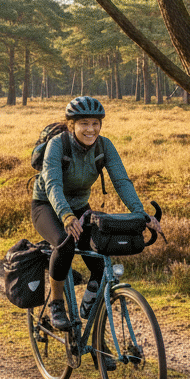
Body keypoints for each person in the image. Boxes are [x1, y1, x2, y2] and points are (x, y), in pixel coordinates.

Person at [30, 96, 160, 331]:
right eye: (84, 123)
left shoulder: (104, 145)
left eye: (95, 123)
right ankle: (57, 305)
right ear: (72, 125)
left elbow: (121, 180)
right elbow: (52, 185)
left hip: (80, 206)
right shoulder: (58, 145)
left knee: (101, 257)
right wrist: (66, 216)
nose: (90, 129)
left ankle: (89, 316)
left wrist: (140, 213)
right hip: (47, 206)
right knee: (65, 243)